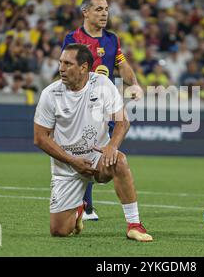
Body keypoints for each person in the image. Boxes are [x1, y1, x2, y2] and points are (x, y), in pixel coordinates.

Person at [33, 44, 152, 242]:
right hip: (67, 166)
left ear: (84, 67)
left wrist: (111, 147)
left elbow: (123, 121)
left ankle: (134, 225)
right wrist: (72, 161)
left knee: (119, 161)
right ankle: (78, 210)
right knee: (59, 231)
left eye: (68, 63)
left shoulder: (103, 85)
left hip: (97, 158)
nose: (61, 68)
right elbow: (40, 138)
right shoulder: (50, 94)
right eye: (61, 62)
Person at [62, 0, 143, 221]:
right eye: (98, 9)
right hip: (80, 102)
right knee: (84, 149)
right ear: (85, 12)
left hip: (105, 103)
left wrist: (134, 84)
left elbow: (123, 66)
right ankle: (84, 206)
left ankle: (85, 206)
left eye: (106, 8)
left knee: (99, 150)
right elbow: (68, 69)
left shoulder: (111, 39)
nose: (104, 13)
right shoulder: (73, 38)